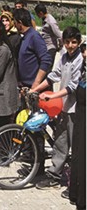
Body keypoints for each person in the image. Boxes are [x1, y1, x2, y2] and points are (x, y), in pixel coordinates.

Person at [31, 27, 83, 190]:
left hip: (76, 109)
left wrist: (52, 96)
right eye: (67, 42)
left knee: (76, 147)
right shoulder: (63, 56)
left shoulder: (80, 59)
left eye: (74, 42)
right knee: (60, 141)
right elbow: (54, 76)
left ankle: (75, 182)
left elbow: (73, 86)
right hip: (64, 107)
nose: (70, 45)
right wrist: (36, 88)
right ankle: (55, 174)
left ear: (79, 42)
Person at [14, 8, 52, 89]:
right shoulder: (24, 38)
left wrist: (36, 83)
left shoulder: (34, 37)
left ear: (20, 23)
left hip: (33, 87)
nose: (14, 25)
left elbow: (46, 60)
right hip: (24, 86)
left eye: (15, 23)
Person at [69, 42, 85, 208]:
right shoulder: (83, 70)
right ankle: (76, 194)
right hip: (80, 118)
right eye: (84, 50)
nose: (85, 55)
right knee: (78, 157)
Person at [35, 4, 63, 71]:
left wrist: (60, 46)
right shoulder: (45, 19)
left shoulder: (51, 21)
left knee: (47, 69)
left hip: (50, 48)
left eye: (37, 14)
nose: (37, 16)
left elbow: (59, 34)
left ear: (41, 13)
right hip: (46, 47)